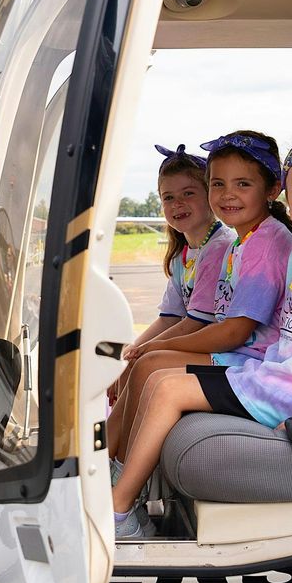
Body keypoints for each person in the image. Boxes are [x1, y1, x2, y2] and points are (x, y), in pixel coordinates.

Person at [111, 128, 292, 539]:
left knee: (168, 389)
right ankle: (124, 489)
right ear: (286, 198)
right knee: (158, 379)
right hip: (277, 376)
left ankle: (118, 513)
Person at [106, 130, 292, 485]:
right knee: (146, 362)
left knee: (149, 363)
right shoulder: (242, 242)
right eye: (218, 184)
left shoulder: (262, 243)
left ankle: (120, 474)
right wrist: (148, 348)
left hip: (255, 361)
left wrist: (158, 347)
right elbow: (176, 317)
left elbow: (233, 331)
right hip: (240, 354)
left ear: (273, 189)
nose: (228, 194)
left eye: (242, 184)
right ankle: (112, 465)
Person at [111, 144, 235, 398]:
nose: (177, 203)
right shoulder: (183, 254)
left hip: (222, 349)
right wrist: (132, 350)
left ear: (210, 196)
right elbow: (169, 318)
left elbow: (196, 323)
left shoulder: (219, 247)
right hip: (195, 343)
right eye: (168, 197)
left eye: (188, 193)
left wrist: (144, 352)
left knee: (141, 366)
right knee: (128, 364)